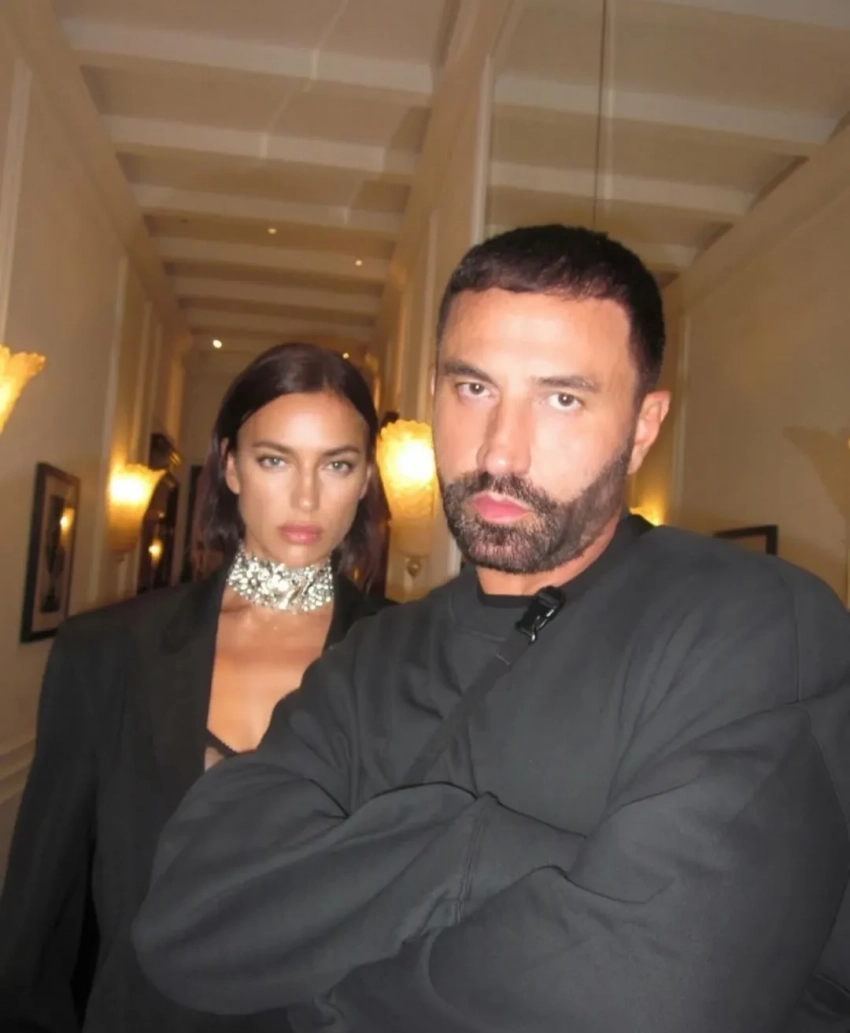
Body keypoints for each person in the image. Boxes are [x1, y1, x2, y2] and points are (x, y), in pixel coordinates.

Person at [133, 226, 850, 1032]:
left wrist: (326, 989)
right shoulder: (375, 655)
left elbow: (652, 998)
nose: (501, 452)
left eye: (562, 398)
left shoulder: (751, 628)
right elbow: (188, 920)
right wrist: (464, 853)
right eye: (474, 388)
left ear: (643, 426)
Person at [0, 342, 392, 1033]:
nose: (306, 496)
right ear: (231, 467)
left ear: (365, 481)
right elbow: (40, 911)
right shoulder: (110, 652)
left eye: (337, 464)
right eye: (275, 460)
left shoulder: (405, 657)